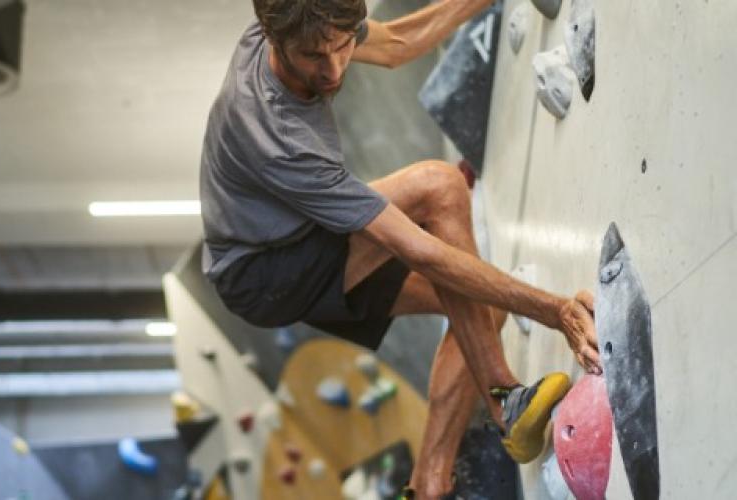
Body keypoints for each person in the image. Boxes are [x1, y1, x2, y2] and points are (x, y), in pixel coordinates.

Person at [199, 1, 601, 497]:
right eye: (314, 57)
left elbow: (395, 43)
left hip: (288, 234)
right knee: (439, 186)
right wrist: (555, 310)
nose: (334, 70)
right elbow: (422, 251)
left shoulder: (304, 22)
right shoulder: (277, 136)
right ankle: (506, 400)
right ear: (271, 36)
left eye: (342, 46)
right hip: (263, 271)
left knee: (479, 317)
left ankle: (428, 483)